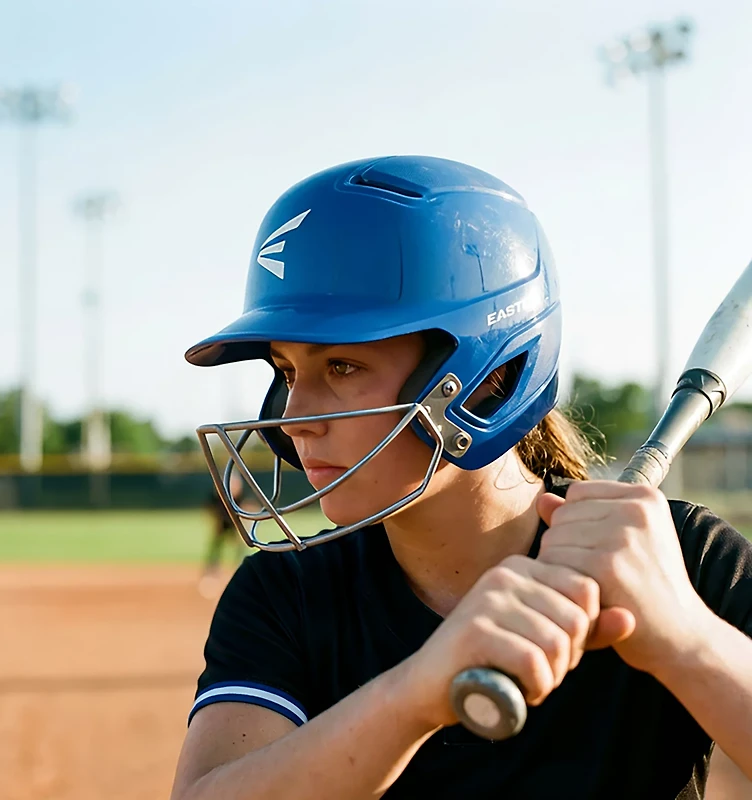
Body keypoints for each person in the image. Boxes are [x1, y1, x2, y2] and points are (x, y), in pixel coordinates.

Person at [170, 156, 752, 799]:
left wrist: (685, 637)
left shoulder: (680, 560)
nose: (293, 419)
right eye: (285, 370)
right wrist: (415, 694)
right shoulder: (288, 595)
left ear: (488, 377)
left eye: (340, 366)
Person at [199, 470, 246, 597]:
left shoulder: (237, 497)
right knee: (216, 547)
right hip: (222, 524)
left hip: (233, 524)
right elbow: (210, 508)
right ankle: (211, 569)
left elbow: (243, 509)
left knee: (239, 547)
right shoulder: (218, 495)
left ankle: (240, 568)